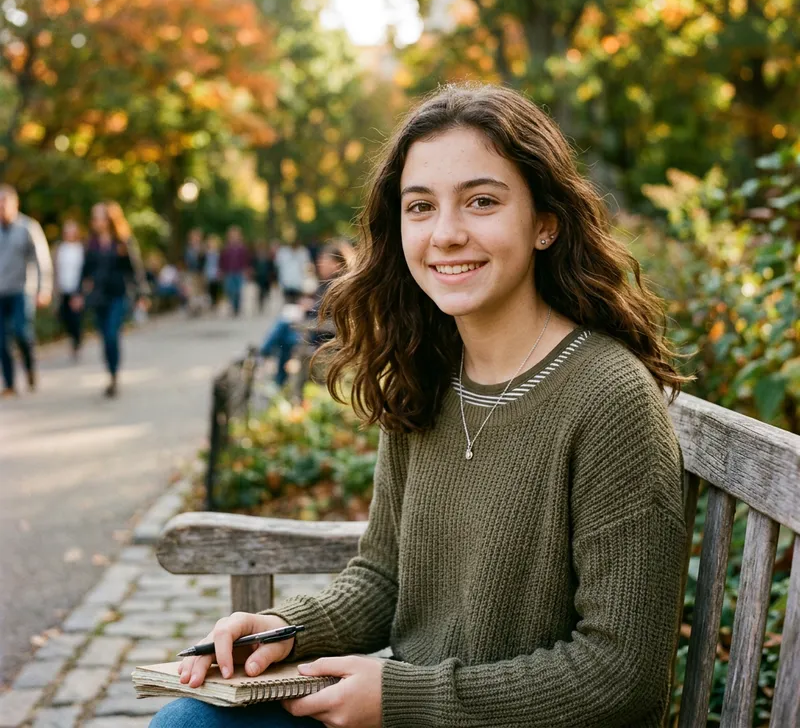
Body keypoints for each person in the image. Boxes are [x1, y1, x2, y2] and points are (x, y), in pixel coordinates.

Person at [151, 84, 692, 728]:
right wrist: (282, 628)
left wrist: (403, 699)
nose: (446, 234)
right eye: (420, 207)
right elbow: (383, 575)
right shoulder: (429, 376)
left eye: (482, 202)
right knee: (190, 722)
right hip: (416, 713)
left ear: (545, 222)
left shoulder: (609, 400)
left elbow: (620, 676)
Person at [73, 201, 148, 398]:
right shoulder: (92, 243)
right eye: (94, 217)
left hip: (118, 295)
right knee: (105, 338)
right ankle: (111, 373)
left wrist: (142, 294)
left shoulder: (122, 241)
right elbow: (84, 270)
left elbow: (135, 269)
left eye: (98, 217)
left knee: (111, 335)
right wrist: (78, 293)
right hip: (99, 297)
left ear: (109, 219)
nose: (95, 221)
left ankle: (114, 375)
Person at [259, 240, 349, 387]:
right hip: (314, 330)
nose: (319, 264)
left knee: (284, 330)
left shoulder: (338, 286)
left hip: (320, 335)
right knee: (284, 330)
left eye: (324, 260)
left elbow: (329, 311)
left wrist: (309, 307)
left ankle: (265, 358)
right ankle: (275, 376)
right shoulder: (329, 283)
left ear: (336, 264)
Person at [0, 184, 52, 396]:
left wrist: (44, 288)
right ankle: (10, 383)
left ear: (15, 204)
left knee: (22, 332)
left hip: (22, 290)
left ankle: (30, 369)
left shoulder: (28, 227)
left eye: (4, 203)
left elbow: (42, 261)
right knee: (1, 340)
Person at [54, 219, 85, 360]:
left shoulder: (81, 249)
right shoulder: (60, 248)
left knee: (76, 319)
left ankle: (77, 342)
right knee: (65, 318)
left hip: (76, 290)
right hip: (63, 289)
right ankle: (73, 339)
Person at [219, 226, 250, 317]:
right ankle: (233, 306)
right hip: (229, 272)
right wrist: (221, 270)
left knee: (238, 291)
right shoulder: (226, 248)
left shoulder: (242, 248)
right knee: (230, 290)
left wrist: (246, 270)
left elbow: (245, 260)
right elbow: (222, 260)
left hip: (239, 272)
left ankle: (237, 308)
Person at [274, 237, 312, 303]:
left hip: (299, 285)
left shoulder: (303, 251)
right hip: (286, 284)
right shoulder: (283, 251)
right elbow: (277, 266)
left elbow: (307, 267)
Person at [252, 239, 276, 314]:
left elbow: (271, 266)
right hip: (259, 277)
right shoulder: (256, 257)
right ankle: (260, 304)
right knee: (260, 291)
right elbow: (254, 265)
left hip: (267, 277)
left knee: (267, 291)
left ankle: (265, 302)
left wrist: (272, 275)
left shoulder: (268, 256)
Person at [203, 235, 223, 310]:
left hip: (216, 272)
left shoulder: (218, 253)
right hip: (208, 272)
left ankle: (215, 302)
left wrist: (220, 271)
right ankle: (211, 303)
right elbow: (204, 263)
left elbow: (220, 263)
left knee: (216, 288)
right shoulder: (206, 253)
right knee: (209, 288)